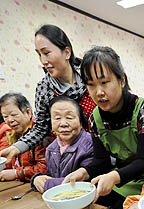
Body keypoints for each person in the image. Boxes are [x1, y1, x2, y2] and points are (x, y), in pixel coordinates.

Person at [62, 46, 144, 209]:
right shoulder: (95, 118)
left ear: (122, 80)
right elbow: (101, 161)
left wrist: (114, 177)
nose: (98, 92)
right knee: (91, 202)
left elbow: (143, 161)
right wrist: (83, 172)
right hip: (122, 178)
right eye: (91, 85)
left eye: (104, 82)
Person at [0, 24, 95, 164]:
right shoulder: (44, 89)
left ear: (67, 52)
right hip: (69, 158)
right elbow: (40, 128)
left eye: (46, 53)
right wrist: (16, 148)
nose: (43, 61)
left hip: (101, 151)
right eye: (39, 54)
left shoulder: (90, 77)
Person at [31, 95, 93, 193]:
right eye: (57, 118)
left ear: (81, 122)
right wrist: (37, 179)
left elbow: (83, 183)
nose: (63, 123)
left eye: (69, 117)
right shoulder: (51, 148)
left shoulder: (90, 145)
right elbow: (48, 175)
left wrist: (47, 184)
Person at [0, 92, 47, 182]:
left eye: (14, 115)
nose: (10, 120)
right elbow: (9, 162)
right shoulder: (12, 133)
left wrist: (16, 173)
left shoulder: (39, 133)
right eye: (5, 117)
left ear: (28, 112)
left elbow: (44, 168)